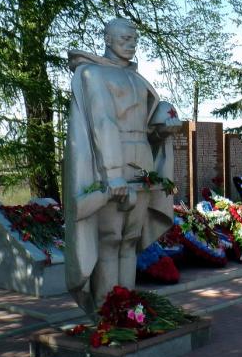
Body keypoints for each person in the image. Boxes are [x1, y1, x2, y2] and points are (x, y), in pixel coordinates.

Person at [63, 18, 178, 315]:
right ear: (108, 39)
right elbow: (103, 121)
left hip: (143, 164)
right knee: (110, 239)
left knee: (129, 240)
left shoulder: (137, 79)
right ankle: (106, 309)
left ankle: (127, 308)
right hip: (113, 164)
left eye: (134, 39)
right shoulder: (93, 74)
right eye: (125, 38)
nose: (131, 44)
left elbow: (146, 123)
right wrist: (113, 173)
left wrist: (162, 129)